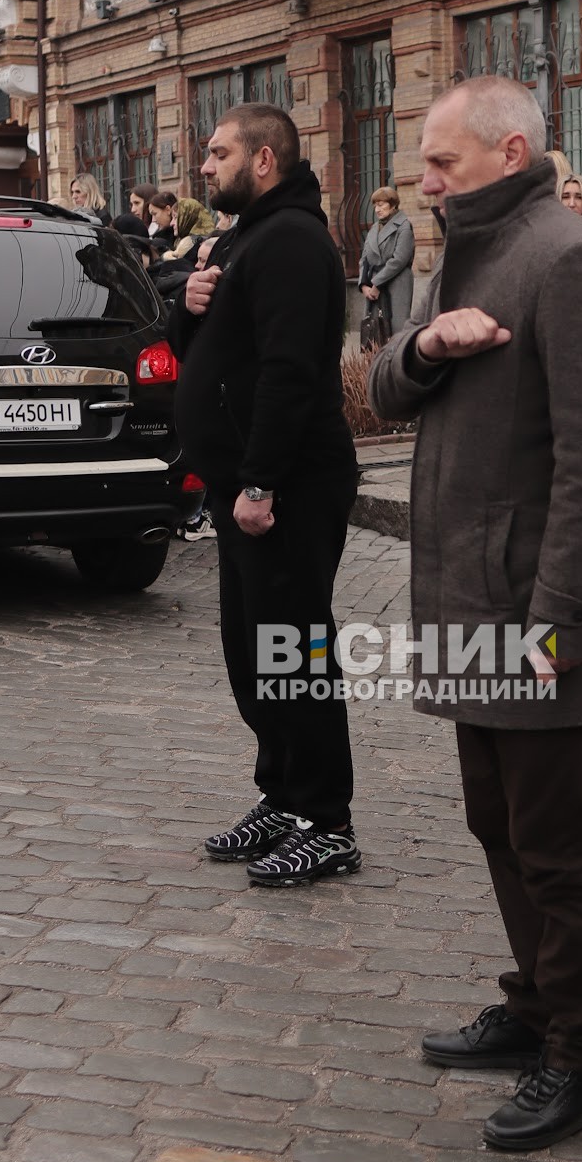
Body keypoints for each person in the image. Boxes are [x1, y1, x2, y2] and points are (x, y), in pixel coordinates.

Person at [369, 76, 582, 1152]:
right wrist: (425, 347)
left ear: (509, 149)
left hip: (532, 615)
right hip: (463, 596)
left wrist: (558, 622)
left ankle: (577, 1057)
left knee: (555, 839)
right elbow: (387, 394)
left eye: (442, 162)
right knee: (498, 821)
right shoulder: (466, 251)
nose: (425, 180)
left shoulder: (568, 261)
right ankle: (533, 1003)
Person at [169, 103, 361, 887]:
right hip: (243, 486)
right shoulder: (250, 235)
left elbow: (288, 374)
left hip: (288, 487)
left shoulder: (288, 240)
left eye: (218, 154)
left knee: (294, 652)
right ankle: (283, 797)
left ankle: (329, 821)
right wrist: (189, 304)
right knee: (254, 653)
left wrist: (259, 481)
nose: (205, 167)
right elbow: (217, 351)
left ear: (263, 161)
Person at [356, 185, 416, 339]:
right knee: (375, 334)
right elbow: (364, 259)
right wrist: (363, 285)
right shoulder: (374, 228)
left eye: (381, 204)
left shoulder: (404, 226)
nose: (377, 209)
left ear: (393, 204)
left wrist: (377, 284)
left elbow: (399, 260)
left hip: (397, 284)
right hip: (373, 288)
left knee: (398, 332)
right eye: (375, 205)